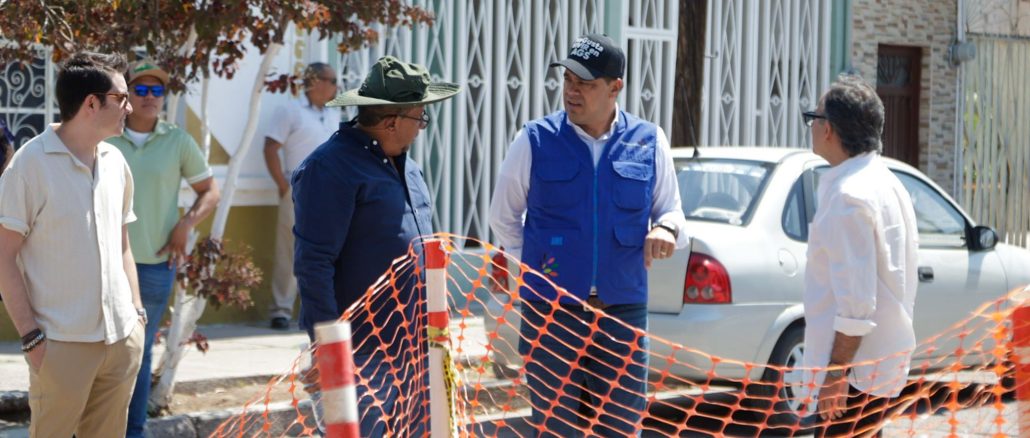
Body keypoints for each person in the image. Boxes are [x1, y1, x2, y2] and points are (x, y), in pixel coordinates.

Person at [489, 34, 689, 437]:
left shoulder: (649, 141)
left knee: (621, 428)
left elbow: (672, 211)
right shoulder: (534, 139)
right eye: (567, 80)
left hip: (622, 312)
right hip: (551, 314)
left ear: (616, 87)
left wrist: (667, 229)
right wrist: (530, 270)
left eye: (585, 83)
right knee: (554, 428)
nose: (571, 91)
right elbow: (503, 217)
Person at [292, 56, 460, 435]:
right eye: (420, 118)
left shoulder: (408, 167)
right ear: (391, 122)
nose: (421, 129)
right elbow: (313, 263)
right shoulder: (329, 168)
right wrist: (327, 348)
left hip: (417, 347)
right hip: (362, 354)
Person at [0, 51, 145, 437]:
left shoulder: (116, 161)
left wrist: (137, 314)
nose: (131, 107)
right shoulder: (29, 165)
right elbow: (4, 257)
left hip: (121, 339)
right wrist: (32, 337)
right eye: (122, 98)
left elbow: (123, 243)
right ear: (91, 103)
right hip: (60, 345)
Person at [105, 59, 221, 438]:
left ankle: (133, 432)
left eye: (157, 90)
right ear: (125, 96)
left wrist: (186, 225)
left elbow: (210, 191)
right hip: (103, 266)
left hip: (154, 267)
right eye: (141, 89)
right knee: (98, 353)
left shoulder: (178, 140)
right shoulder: (104, 137)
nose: (150, 97)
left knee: (138, 355)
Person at [801, 75, 919, 437]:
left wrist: (836, 373)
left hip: (854, 373)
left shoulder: (850, 195)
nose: (811, 126)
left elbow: (857, 302)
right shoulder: (884, 180)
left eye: (814, 117)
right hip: (874, 366)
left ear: (829, 130)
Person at [263, 62, 341, 330]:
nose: (336, 86)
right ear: (316, 81)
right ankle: (281, 309)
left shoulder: (333, 113)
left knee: (328, 249)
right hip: (299, 188)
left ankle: (318, 307)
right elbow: (271, 147)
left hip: (331, 191)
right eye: (332, 80)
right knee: (290, 248)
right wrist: (284, 186)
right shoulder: (290, 109)